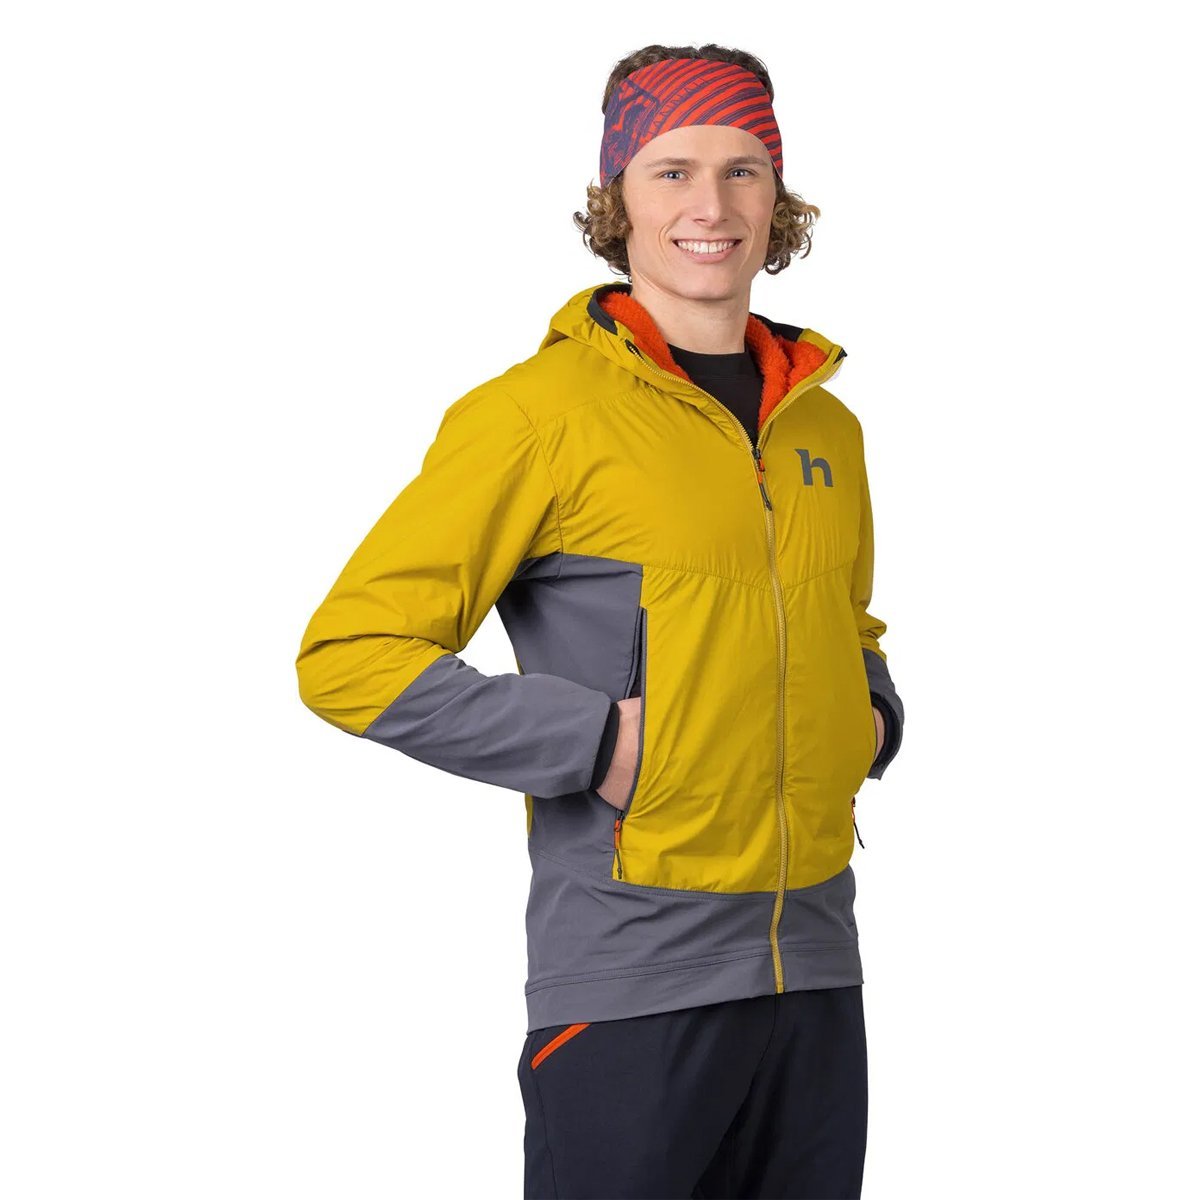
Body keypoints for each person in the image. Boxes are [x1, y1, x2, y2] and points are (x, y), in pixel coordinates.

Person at [295, 42, 904, 1200]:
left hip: (818, 969)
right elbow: (350, 655)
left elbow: (844, 622)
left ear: (778, 199)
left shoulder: (826, 427)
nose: (711, 205)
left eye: (742, 170)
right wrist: (593, 743)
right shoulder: (539, 416)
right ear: (617, 198)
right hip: (631, 981)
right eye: (672, 171)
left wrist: (867, 715)